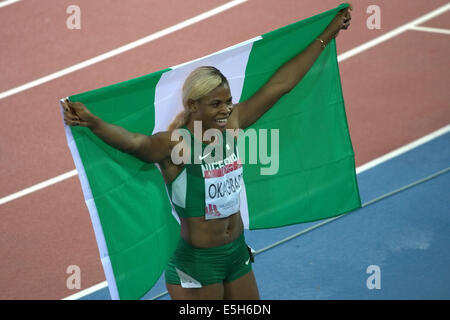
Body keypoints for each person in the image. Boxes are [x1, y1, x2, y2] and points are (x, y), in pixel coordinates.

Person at [62, 6, 351, 300]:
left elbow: (281, 85)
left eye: (228, 101)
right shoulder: (176, 145)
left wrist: (328, 34)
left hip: (236, 252)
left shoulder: (233, 123)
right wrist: (94, 122)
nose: (226, 109)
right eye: (216, 104)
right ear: (193, 106)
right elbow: (135, 144)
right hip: (198, 263)